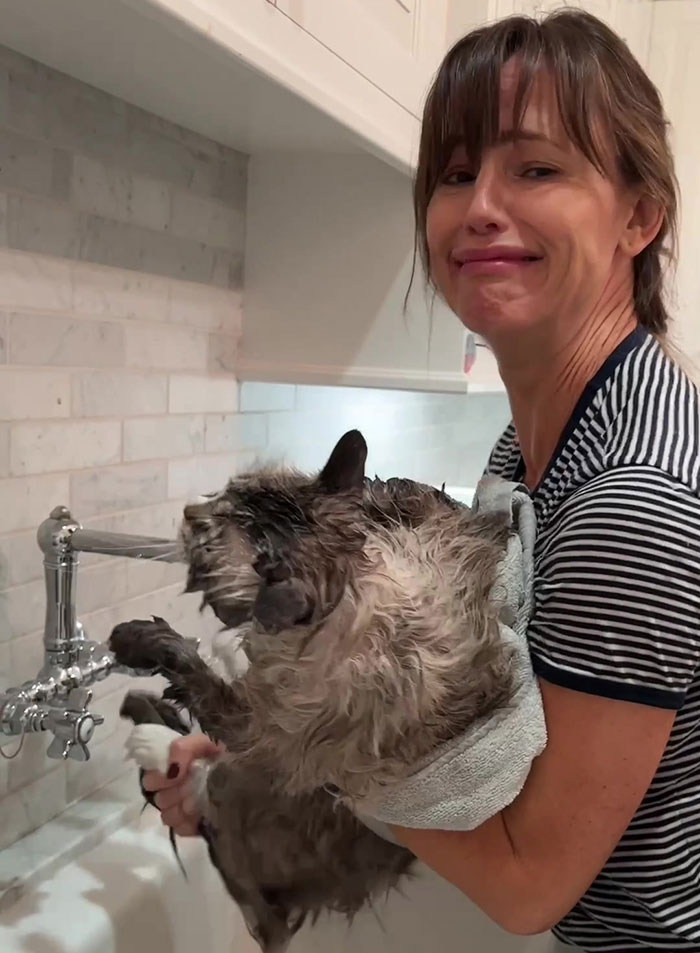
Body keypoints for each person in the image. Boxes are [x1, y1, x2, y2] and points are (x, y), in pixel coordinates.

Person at [141, 9, 700, 952]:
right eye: (454, 173)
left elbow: (526, 880)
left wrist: (299, 752)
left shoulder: (633, 500)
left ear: (639, 217)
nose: (481, 205)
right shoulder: (534, 446)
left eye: (536, 168)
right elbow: (484, 751)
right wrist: (255, 760)